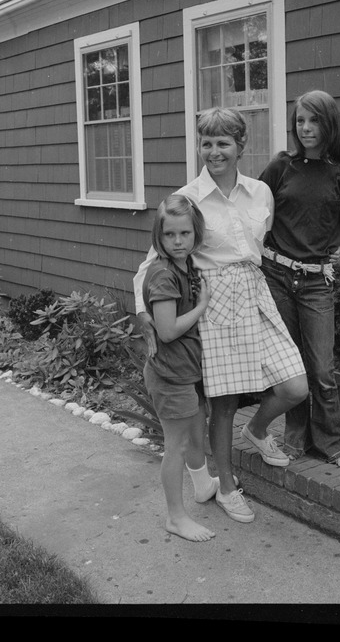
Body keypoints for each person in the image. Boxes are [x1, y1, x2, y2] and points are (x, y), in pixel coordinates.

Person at [134, 108, 308, 524]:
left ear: (240, 147)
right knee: (224, 404)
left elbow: (261, 247)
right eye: (207, 143)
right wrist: (144, 312)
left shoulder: (260, 192)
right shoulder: (188, 197)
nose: (214, 152)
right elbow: (152, 261)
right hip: (213, 303)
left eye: (223, 143)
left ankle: (259, 430)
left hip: (255, 292)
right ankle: (227, 487)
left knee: (295, 386)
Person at [258, 90, 340, 468]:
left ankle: (331, 442)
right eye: (300, 120)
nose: (306, 128)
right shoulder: (280, 167)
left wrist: (337, 254)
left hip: (317, 282)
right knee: (291, 367)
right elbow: (257, 214)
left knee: (321, 368)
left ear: (329, 124)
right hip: (275, 276)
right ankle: (295, 439)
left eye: (314, 120)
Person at [141, 194, 216, 542]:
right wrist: (201, 306)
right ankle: (175, 517)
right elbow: (167, 330)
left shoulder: (185, 266)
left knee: (195, 436)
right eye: (169, 235)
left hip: (185, 371)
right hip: (170, 375)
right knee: (178, 446)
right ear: (159, 235)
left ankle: (202, 489)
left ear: (195, 233)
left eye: (184, 233)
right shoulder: (163, 274)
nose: (177, 241)